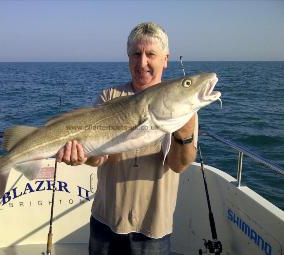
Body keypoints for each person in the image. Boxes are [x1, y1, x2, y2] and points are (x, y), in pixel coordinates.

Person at [56, 22, 198, 255]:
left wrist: (184, 134)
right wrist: (81, 156)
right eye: (136, 54)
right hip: (105, 221)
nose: (142, 62)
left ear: (165, 59)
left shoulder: (179, 104)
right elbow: (97, 159)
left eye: (150, 54)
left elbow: (178, 165)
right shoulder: (109, 96)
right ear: (128, 58)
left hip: (153, 229)